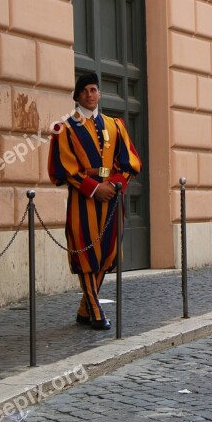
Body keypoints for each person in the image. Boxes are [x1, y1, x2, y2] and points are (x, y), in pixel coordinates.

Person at [48, 73, 142, 330]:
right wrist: (93, 188)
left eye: (94, 90)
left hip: (111, 198)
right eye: (85, 90)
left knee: (107, 252)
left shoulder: (115, 124)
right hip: (83, 200)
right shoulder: (64, 128)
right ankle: (95, 309)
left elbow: (130, 162)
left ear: (99, 93)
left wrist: (113, 185)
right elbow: (65, 168)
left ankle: (84, 308)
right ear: (77, 96)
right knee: (86, 252)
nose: (90, 94)